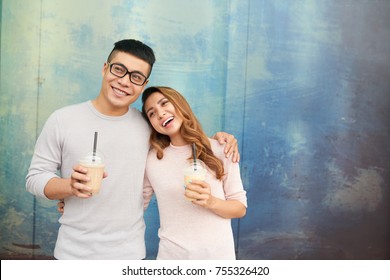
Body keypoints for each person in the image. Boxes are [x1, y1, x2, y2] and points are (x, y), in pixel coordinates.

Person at [26, 39, 239, 260]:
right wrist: (68, 186)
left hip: (129, 254)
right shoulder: (62, 119)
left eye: (136, 77)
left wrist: (220, 140)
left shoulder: (148, 126)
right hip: (72, 253)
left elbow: (181, 138)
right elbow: (35, 177)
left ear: (143, 84)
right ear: (104, 68)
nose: (124, 81)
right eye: (118, 69)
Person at [141, 86, 247, 259]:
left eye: (164, 103)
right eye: (152, 113)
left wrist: (210, 201)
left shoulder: (221, 149)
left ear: (180, 104)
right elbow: (137, 205)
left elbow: (240, 208)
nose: (160, 114)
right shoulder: (153, 160)